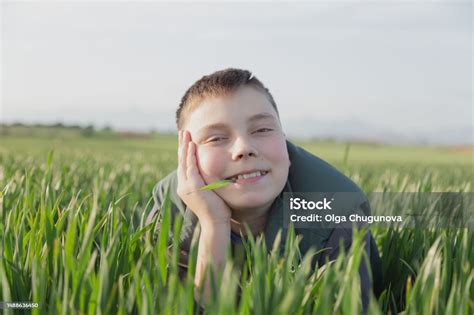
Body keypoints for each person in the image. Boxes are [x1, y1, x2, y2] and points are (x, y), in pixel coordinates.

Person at [146, 68, 383, 312]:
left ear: (284, 139)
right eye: (216, 138)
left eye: (262, 130)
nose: (244, 148)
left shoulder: (336, 208)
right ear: (186, 153)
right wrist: (213, 225)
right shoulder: (168, 208)